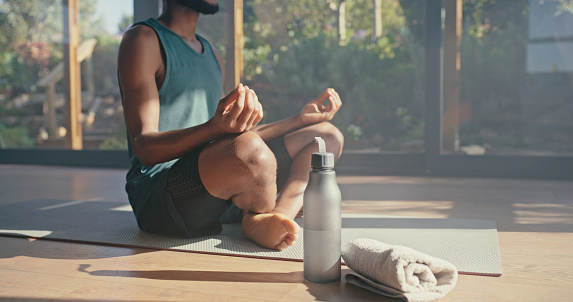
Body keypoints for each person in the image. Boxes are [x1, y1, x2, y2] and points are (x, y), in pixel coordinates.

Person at [118, 0, 344, 251]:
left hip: (214, 179)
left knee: (326, 137)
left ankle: (270, 217)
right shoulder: (143, 39)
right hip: (160, 195)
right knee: (251, 151)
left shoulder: (212, 53)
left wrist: (299, 120)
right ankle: (259, 211)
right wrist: (215, 128)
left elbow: (232, 137)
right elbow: (145, 148)